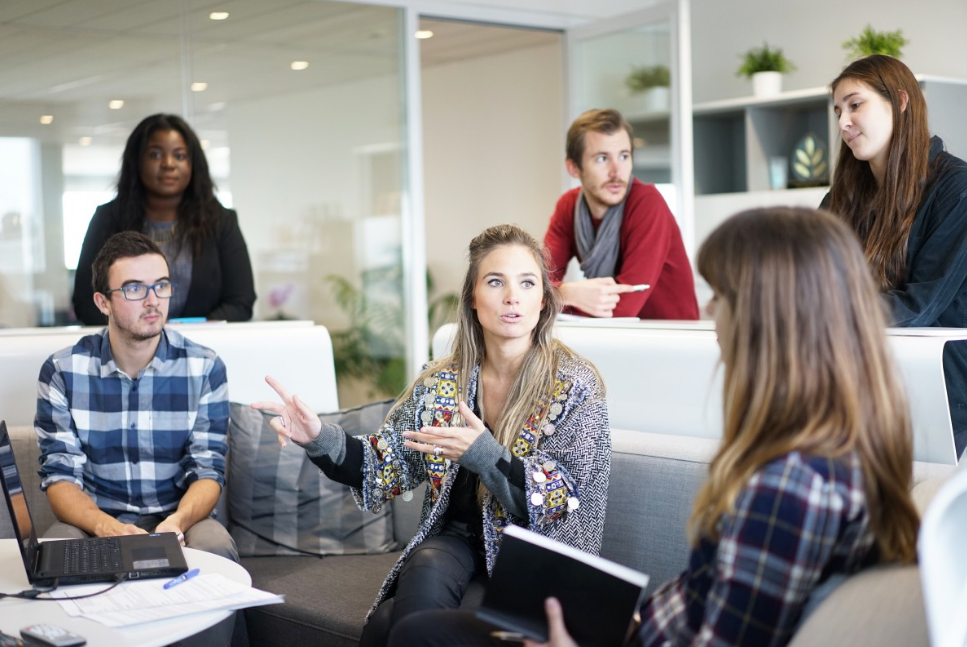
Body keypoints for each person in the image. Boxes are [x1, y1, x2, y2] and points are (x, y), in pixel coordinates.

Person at [393, 208, 921, 647]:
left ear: (771, 318)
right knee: (416, 628)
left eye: (722, 297)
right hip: (640, 628)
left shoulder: (789, 487)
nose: (711, 313)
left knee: (420, 636)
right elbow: (708, 603)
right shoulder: (831, 452)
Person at [253, 224, 611, 646]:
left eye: (527, 282)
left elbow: (561, 499)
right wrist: (317, 436)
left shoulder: (575, 384)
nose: (512, 296)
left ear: (543, 301)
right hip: (456, 543)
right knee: (424, 564)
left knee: (390, 623)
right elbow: (381, 464)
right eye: (495, 281)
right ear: (473, 299)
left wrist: (483, 453)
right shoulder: (442, 382)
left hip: (535, 557)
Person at [36, 231, 237, 565]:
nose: (152, 300)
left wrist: (176, 523)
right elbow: (59, 478)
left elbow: (208, 470)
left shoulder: (205, 367)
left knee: (215, 546)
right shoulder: (62, 371)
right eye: (134, 288)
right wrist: (107, 527)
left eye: (161, 285)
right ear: (103, 302)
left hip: (179, 517)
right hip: (95, 519)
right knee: (57, 548)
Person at [823, 54, 967, 458]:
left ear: (900, 102)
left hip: (940, 389)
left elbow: (920, 305)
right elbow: (807, 277)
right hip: (860, 378)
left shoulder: (957, 189)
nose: (843, 123)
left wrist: (820, 311)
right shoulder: (842, 198)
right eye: (838, 111)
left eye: (855, 105)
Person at [72, 113, 256, 325]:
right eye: (156, 155)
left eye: (180, 156)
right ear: (137, 161)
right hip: (127, 352)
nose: (168, 164)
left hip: (202, 349)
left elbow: (241, 302)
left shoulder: (221, 222)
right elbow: (86, 303)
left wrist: (186, 334)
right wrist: (142, 331)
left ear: (193, 164)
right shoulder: (108, 219)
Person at [543, 108, 698, 320]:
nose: (617, 171)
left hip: (671, 340)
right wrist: (567, 293)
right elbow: (536, 284)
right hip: (613, 338)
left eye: (624, 156)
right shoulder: (568, 207)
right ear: (573, 168)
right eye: (602, 158)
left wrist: (554, 297)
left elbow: (623, 308)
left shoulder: (647, 203)